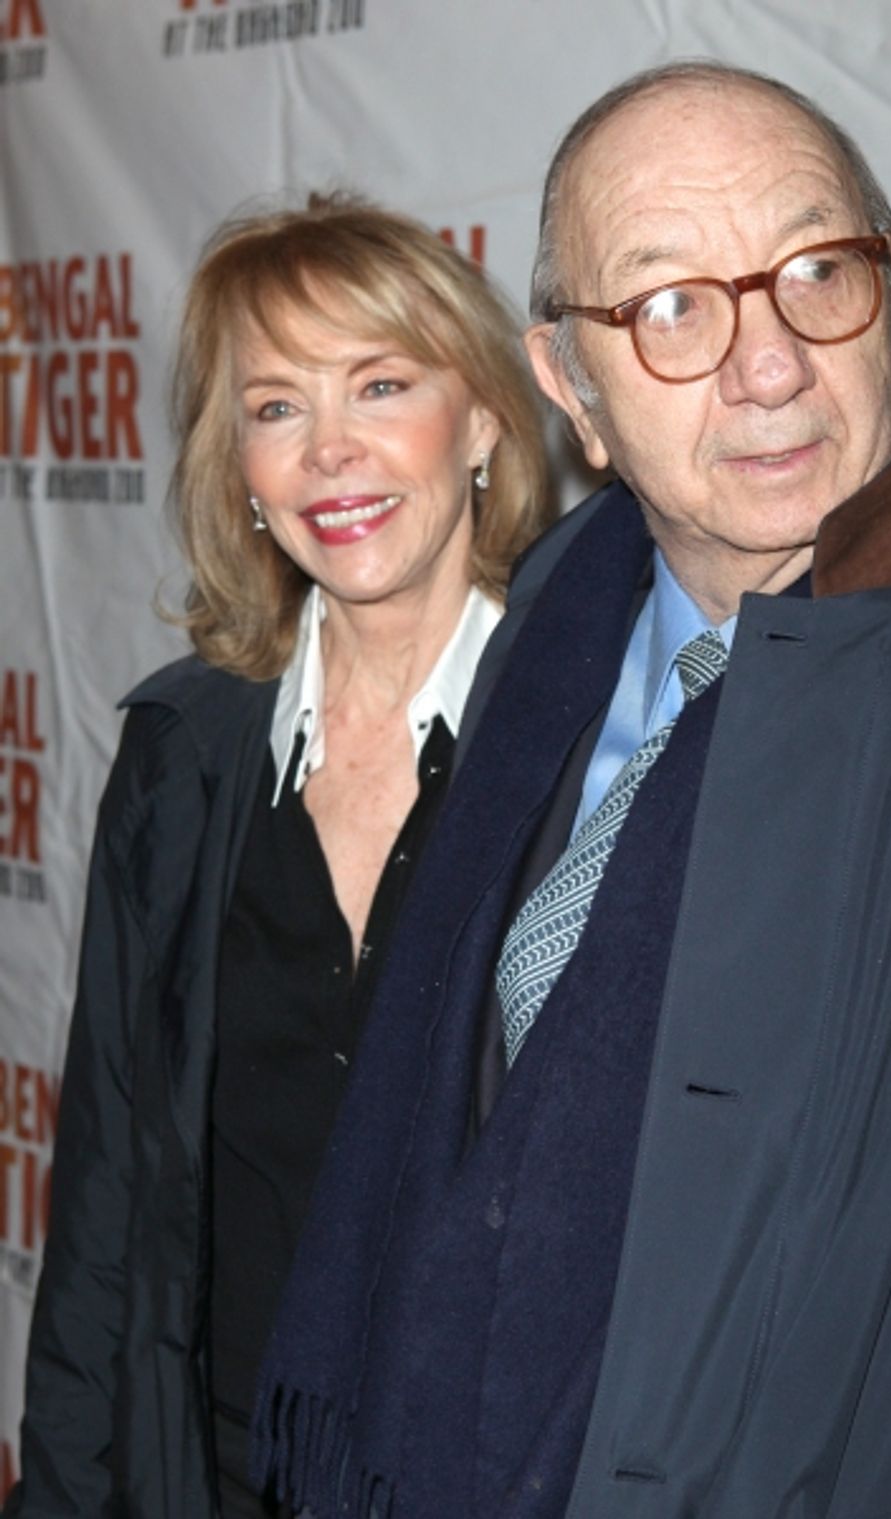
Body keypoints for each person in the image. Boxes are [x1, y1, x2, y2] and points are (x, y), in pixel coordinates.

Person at [254, 64, 891, 1519]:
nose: (767, 365)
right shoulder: (551, 628)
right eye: (672, 307)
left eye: (816, 272)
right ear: (571, 386)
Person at [7, 194, 551, 1519]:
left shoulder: (594, 741)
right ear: (234, 465)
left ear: (481, 420)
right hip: (220, 1474)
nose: (331, 454)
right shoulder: (181, 755)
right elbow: (108, 1223)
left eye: (380, 385)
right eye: (275, 407)